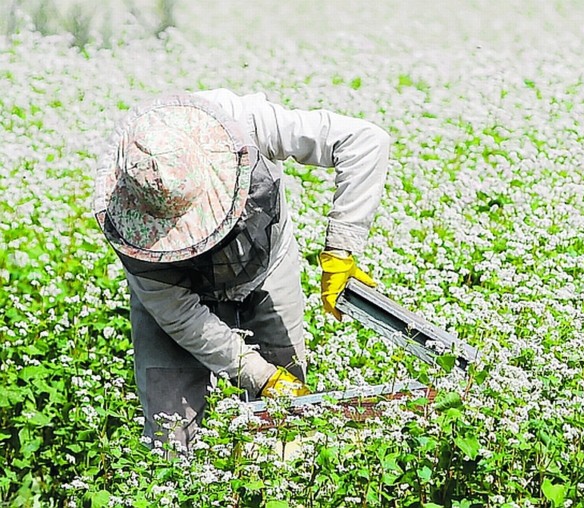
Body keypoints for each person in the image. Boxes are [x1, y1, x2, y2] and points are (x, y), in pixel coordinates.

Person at [93, 89, 390, 447]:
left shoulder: (246, 121)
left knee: (286, 416)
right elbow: (181, 317)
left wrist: (341, 249)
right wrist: (259, 375)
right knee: (168, 431)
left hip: (265, 267)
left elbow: (365, 141)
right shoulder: (127, 208)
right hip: (177, 294)